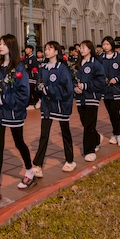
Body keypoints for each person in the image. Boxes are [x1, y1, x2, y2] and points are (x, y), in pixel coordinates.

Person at [0, 34, 33, 205]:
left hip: (13, 113)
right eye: (0, 43)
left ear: (12, 46)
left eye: (4, 44)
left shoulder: (19, 68)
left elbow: (23, 94)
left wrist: (4, 99)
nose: (0, 46)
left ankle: (30, 170)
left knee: (19, 143)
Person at [31, 41, 76, 175]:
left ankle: (70, 160)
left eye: (50, 49)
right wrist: (40, 88)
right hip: (47, 106)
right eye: (45, 48)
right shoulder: (43, 68)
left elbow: (67, 88)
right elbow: (39, 83)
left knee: (65, 133)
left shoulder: (62, 68)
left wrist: (49, 89)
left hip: (60, 105)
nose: (47, 51)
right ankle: (38, 164)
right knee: (44, 135)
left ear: (56, 52)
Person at [74, 40, 106, 162]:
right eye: (80, 48)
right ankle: (97, 138)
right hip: (80, 98)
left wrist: (85, 86)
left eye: (84, 47)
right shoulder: (78, 64)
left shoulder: (96, 64)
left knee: (89, 124)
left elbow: (101, 81)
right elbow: (73, 79)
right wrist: (75, 87)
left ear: (90, 49)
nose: (81, 50)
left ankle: (89, 150)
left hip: (92, 97)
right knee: (84, 122)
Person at [99, 36, 120, 147]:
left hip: (117, 90)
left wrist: (116, 79)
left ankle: (119, 135)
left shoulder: (119, 58)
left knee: (115, 111)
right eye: (104, 44)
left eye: (107, 44)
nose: (105, 46)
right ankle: (115, 133)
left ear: (111, 45)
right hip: (106, 90)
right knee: (111, 113)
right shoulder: (101, 58)